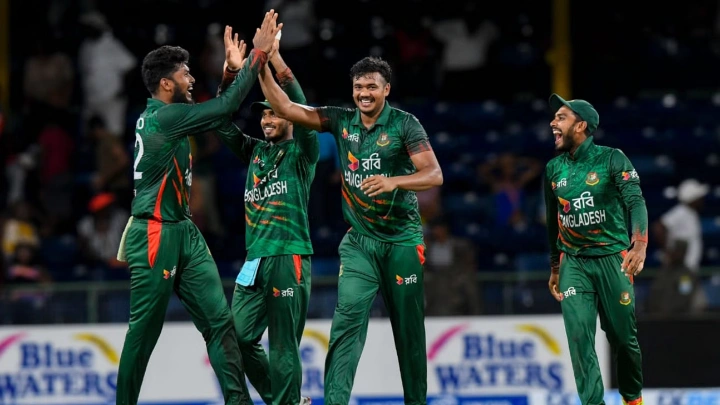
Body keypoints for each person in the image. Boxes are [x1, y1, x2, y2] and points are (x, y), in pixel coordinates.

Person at [114, 13, 282, 405]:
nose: (192, 80)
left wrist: (228, 77)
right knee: (144, 334)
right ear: (166, 83)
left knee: (221, 325)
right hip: (154, 232)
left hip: (183, 230)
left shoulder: (167, 117)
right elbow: (223, 110)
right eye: (187, 75)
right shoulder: (163, 117)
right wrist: (258, 54)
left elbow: (214, 111)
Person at [257, 56, 443, 405]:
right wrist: (262, 60)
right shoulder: (341, 120)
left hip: (402, 240)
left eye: (371, 86)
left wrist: (394, 182)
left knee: (409, 333)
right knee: (346, 324)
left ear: (386, 89)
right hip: (359, 243)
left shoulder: (405, 125)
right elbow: (283, 105)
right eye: (359, 87)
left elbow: (434, 174)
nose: (364, 93)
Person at [215, 39, 317, 405]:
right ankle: (285, 400)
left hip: (288, 255)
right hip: (255, 260)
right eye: (264, 115)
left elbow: (301, 103)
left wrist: (273, 60)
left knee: (283, 345)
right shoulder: (255, 152)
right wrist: (232, 73)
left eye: (275, 112)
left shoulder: (303, 153)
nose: (268, 119)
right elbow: (220, 119)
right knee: (238, 339)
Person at [544, 93, 647, 405]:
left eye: (561, 117)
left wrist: (639, 244)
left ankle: (632, 398)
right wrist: (555, 266)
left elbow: (635, 201)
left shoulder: (613, 159)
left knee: (622, 339)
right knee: (579, 338)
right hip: (573, 262)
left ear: (581, 125)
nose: (553, 122)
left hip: (613, 259)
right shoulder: (553, 169)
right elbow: (553, 222)